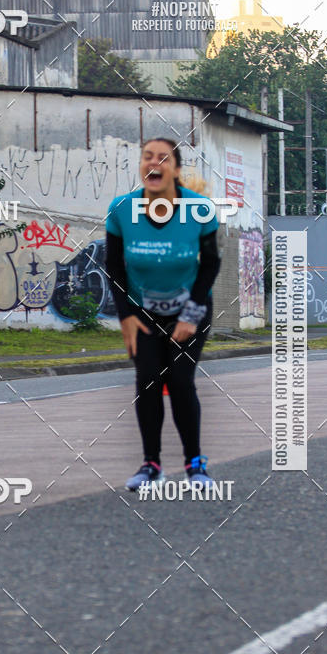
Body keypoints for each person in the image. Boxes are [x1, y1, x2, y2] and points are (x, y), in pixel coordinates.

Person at [105, 137, 221, 491]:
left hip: (190, 308)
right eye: (147, 157)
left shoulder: (199, 209)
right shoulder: (121, 209)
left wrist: (191, 315)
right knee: (148, 380)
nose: (153, 163)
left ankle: (195, 465)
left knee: (181, 381)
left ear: (175, 169)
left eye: (163, 158)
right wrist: (125, 316)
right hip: (142, 312)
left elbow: (211, 264)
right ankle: (151, 464)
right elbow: (114, 267)